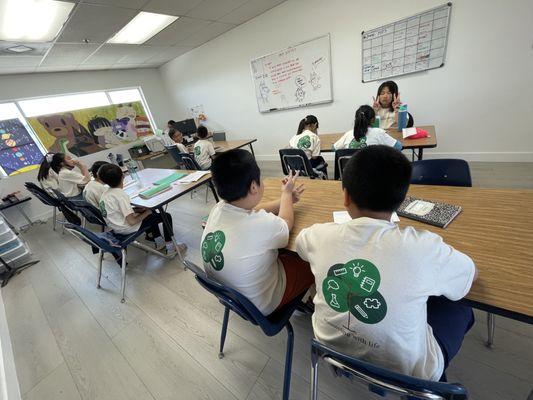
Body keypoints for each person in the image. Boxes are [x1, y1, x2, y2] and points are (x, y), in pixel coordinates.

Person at [296, 145, 476, 381]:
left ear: (346, 196)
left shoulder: (318, 236)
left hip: (329, 348)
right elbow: (470, 275)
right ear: (402, 201)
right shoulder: (424, 247)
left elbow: (300, 245)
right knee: (461, 305)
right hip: (408, 373)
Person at [202, 149, 311, 316]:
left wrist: (286, 200)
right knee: (310, 259)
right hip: (263, 304)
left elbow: (253, 209)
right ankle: (312, 302)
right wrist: (287, 193)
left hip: (232, 296)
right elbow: (286, 224)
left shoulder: (218, 209)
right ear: (254, 186)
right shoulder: (259, 224)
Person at [98, 164, 186, 256]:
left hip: (116, 227)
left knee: (150, 214)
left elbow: (116, 211)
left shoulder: (105, 194)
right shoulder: (120, 195)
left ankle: (159, 241)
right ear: (123, 176)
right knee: (165, 216)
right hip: (127, 228)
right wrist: (148, 211)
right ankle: (171, 248)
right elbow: (132, 221)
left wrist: (136, 210)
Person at [333, 105, 402, 151]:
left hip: (353, 172)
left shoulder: (348, 134)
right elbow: (398, 147)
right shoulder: (379, 132)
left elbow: (334, 148)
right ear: (373, 119)